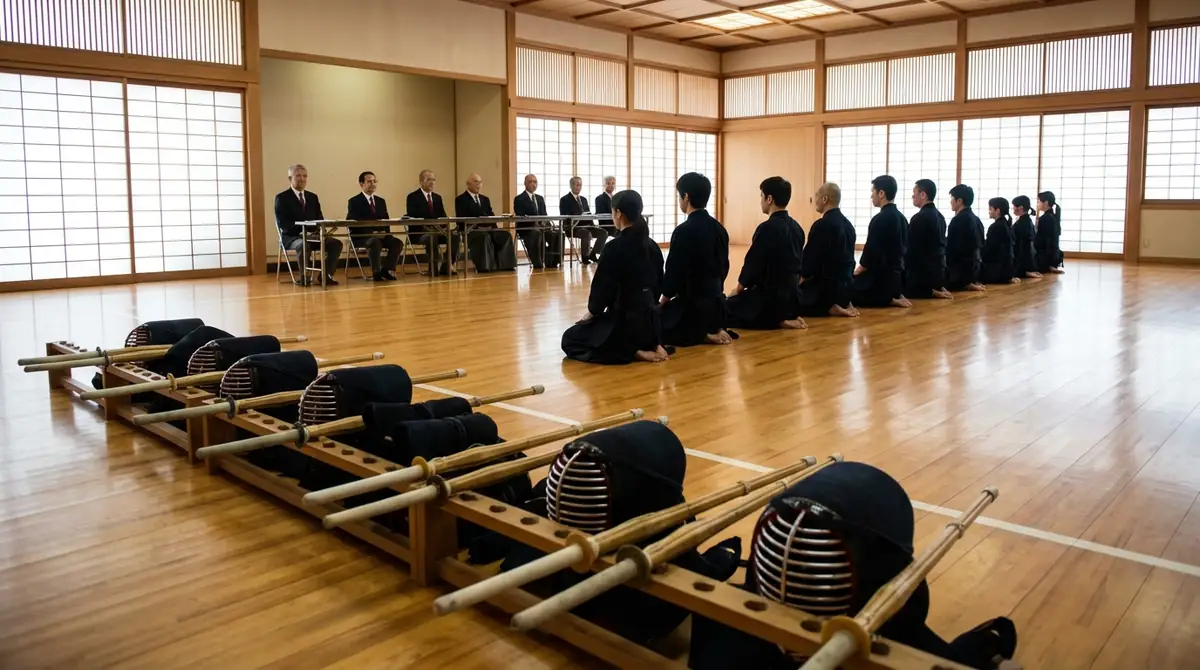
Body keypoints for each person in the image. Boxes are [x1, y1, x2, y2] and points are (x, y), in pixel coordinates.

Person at [561, 190, 669, 364]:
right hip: (651, 321)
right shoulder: (652, 245)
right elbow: (658, 286)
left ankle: (632, 351)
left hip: (625, 322)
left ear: (618, 213)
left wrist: (592, 312)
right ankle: (652, 344)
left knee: (570, 339)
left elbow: (603, 288)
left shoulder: (614, 247)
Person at [661, 172, 737, 346]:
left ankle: (699, 334)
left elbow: (674, 273)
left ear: (686, 197)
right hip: (717, 304)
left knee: (654, 322)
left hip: (692, 306)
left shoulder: (683, 231)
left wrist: (663, 301)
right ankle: (715, 327)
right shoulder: (719, 229)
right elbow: (724, 267)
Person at [726, 177, 807, 330]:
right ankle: (785, 316)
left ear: (769, 199)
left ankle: (776, 320)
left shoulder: (767, 228)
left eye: (761, 196)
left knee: (725, 309)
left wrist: (738, 289)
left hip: (770, 300)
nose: (761, 201)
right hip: (794, 299)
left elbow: (754, 264)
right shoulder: (797, 228)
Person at [275, 164, 341, 286]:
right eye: (298, 176)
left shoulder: (312, 197)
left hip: (312, 235)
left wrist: (318, 230)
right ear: (290, 179)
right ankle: (304, 276)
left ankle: (326, 275)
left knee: (336, 244)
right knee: (303, 244)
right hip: (292, 237)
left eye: (305, 176)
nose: (302, 179)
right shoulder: (282, 198)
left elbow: (319, 218)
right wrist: (302, 232)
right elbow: (283, 224)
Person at [798, 183, 858, 318]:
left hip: (825, 291)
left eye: (817, 196)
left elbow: (810, 260)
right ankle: (842, 303)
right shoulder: (848, 225)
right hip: (846, 289)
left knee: (789, 300)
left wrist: (800, 280)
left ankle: (827, 306)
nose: (815, 201)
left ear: (825, 199)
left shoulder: (822, 225)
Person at [851, 175, 911, 308]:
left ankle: (886, 299)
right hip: (897, 279)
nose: (871, 196)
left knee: (848, 289)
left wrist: (860, 269)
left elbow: (872, 250)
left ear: (881, 193)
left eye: (873, 191)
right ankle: (894, 295)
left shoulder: (880, 219)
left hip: (879, 280)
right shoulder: (902, 218)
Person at [454, 173, 516, 273]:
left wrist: (492, 225)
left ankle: (506, 265)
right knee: (483, 237)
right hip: (472, 230)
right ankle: (485, 266)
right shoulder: (461, 199)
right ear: (468, 184)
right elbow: (461, 218)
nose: (478, 185)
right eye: (475, 182)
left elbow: (491, 214)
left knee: (505, 235)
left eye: (480, 182)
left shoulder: (485, 199)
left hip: (489, 228)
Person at [346, 171, 402, 281]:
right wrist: (372, 232)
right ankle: (376, 272)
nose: (373, 184)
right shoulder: (354, 201)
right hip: (363, 236)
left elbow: (385, 220)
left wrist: (386, 233)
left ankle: (386, 270)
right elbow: (354, 222)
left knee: (397, 243)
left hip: (381, 235)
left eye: (374, 181)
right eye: (369, 181)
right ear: (362, 184)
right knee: (374, 242)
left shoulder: (381, 201)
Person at [404, 170, 459, 276]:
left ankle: (447, 266)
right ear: (421, 181)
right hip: (419, 233)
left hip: (438, 231)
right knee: (431, 237)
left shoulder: (437, 198)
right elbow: (414, 215)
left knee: (455, 235)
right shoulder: (412, 197)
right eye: (429, 179)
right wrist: (433, 218)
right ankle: (433, 269)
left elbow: (442, 216)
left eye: (433, 180)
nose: (432, 182)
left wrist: (442, 224)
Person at [904, 179, 951, 300]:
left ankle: (928, 291)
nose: (912, 195)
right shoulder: (940, 216)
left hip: (924, 274)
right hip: (939, 271)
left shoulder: (919, 218)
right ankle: (937, 288)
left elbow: (912, 250)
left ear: (923, 194)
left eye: (914, 192)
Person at [513, 174, 562, 269]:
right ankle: (538, 263)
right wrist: (535, 223)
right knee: (537, 234)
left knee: (558, 233)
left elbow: (544, 214)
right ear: (525, 184)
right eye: (530, 182)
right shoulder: (519, 199)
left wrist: (544, 223)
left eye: (535, 182)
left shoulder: (540, 198)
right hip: (527, 228)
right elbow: (521, 216)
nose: (533, 184)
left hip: (542, 226)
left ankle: (552, 261)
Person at [945, 184, 986, 292]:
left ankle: (964, 283)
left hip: (961, 272)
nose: (950, 202)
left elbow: (953, 249)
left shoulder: (959, 220)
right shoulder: (976, 219)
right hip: (976, 270)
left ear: (959, 201)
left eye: (952, 199)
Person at [560, 177, 607, 264]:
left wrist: (592, 224)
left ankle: (593, 254)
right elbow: (565, 216)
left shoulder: (584, 199)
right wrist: (579, 215)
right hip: (573, 227)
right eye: (577, 185)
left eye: (580, 185)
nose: (579, 187)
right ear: (571, 185)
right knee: (586, 234)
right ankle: (585, 258)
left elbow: (588, 213)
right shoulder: (564, 199)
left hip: (587, 225)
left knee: (603, 232)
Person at [981, 197, 1020, 285]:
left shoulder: (996, 227)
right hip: (1008, 270)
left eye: (990, 209)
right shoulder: (1007, 225)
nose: (989, 211)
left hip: (997, 271)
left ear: (997, 210)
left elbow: (989, 250)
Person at [1035, 190, 1065, 274]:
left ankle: (1047, 265)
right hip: (1054, 256)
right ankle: (1051, 265)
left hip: (1045, 256)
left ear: (1046, 202)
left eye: (1038, 202)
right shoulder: (1054, 216)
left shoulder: (1045, 218)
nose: (1037, 204)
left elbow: (1041, 240)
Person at [1011, 195, 1041, 279]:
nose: (1013, 210)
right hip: (1031, 256)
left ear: (1020, 208)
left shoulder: (1021, 223)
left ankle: (1024, 271)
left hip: (1023, 256)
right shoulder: (1027, 220)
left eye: (1013, 207)